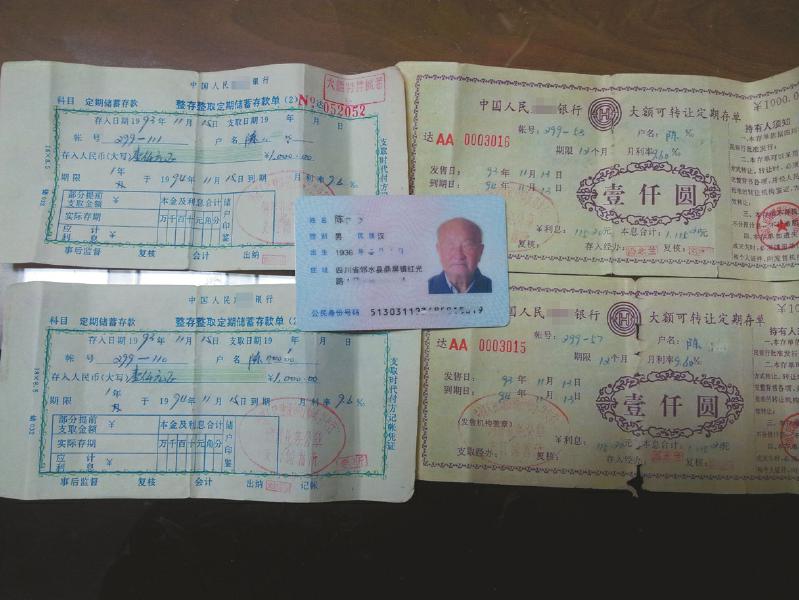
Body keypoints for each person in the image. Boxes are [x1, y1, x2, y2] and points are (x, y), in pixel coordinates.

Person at [428, 217, 492, 294]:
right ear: (439, 250)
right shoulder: (428, 287)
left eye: (467, 246)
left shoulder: (493, 287)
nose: (459, 256)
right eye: (450, 246)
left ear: (480, 251)